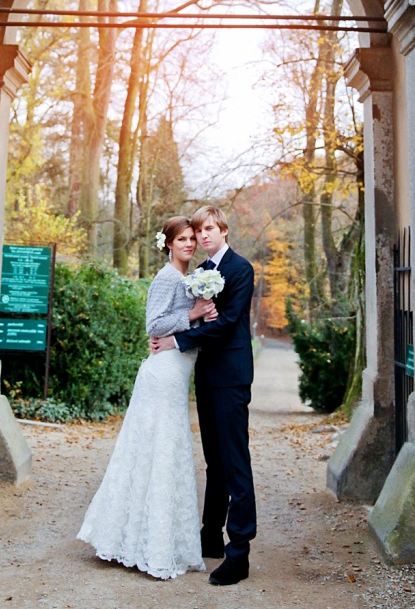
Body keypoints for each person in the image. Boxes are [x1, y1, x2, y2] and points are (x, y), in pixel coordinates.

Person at [77, 216, 217, 580]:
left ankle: (155, 540)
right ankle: (144, 544)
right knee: (158, 450)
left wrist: (205, 314)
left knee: (165, 452)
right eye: (182, 239)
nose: (189, 244)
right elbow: (153, 325)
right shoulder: (167, 277)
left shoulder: (190, 278)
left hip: (178, 370)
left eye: (192, 238)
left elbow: (182, 325)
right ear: (168, 244)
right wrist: (193, 313)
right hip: (163, 374)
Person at [150, 205, 256, 586]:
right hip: (206, 376)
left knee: (235, 462)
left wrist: (176, 341)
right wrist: (172, 332)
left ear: (224, 230)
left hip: (231, 377)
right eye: (199, 230)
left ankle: (239, 552)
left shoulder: (240, 270)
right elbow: (186, 315)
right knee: (214, 461)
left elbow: (226, 324)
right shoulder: (199, 273)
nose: (203, 235)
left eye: (210, 228)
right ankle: (211, 534)